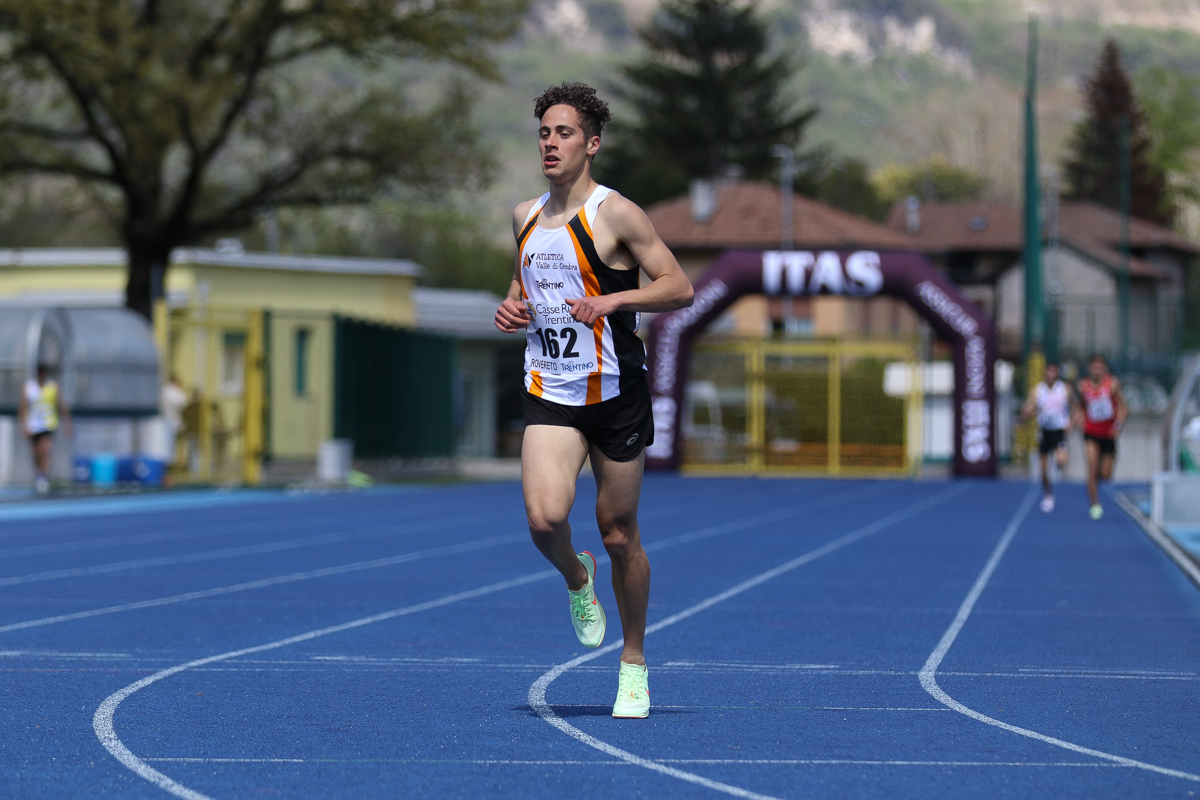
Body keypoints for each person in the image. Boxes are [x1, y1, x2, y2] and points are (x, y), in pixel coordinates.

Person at [494, 82, 694, 719]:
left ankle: (633, 663)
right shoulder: (524, 215)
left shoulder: (617, 214)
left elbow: (679, 287)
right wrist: (511, 306)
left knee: (618, 533)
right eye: (544, 134)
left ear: (593, 144)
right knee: (544, 521)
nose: (551, 144)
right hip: (550, 388)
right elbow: (522, 282)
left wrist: (615, 299)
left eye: (565, 133)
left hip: (614, 393)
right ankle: (577, 579)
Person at [1076, 354, 1127, 520]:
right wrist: (1077, 420)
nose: (1097, 371)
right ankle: (1094, 504)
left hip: (1108, 434)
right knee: (1091, 469)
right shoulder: (1083, 386)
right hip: (1091, 433)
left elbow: (1124, 407)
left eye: (1100, 368)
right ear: (1089, 369)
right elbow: (1080, 407)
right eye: (1094, 368)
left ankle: (1097, 479)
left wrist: (1117, 426)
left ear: (1104, 369)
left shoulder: (1112, 385)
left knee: (1105, 475)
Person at [1020, 361, 1075, 513]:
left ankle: (1059, 462)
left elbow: (1075, 407)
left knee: (1061, 460)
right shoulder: (1037, 391)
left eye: (1053, 372)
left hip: (1059, 431)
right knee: (1043, 468)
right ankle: (1048, 494)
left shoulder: (1065, 389)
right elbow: (1028, 407)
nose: (1051, 375)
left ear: (1057, 374)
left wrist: (1071, 423)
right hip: (1044, 431)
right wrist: (1025, 415)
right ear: (1045, 374)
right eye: (1048, 372)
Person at [18, 363, 72, 495]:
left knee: (45, 449)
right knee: (36, 452)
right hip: (33, 425)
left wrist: (68, 422)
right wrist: (24, 426)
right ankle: (40, 475)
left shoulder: (52, 386)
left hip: (48, 424)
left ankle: (44, 478)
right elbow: (23, 407)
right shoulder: (29, 387)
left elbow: (61, 404)